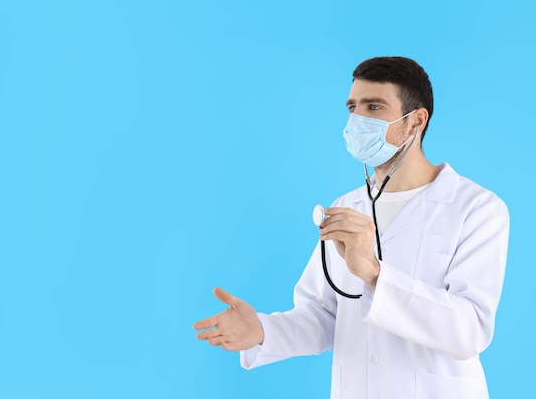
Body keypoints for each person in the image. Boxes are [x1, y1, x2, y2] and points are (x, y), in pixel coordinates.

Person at [193, 56, 509, 399]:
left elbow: (470, 330)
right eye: (352, 107)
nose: (359, 119)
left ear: (416, 122)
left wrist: (374, 273)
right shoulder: (346, 207)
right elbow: (324, 316)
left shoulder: (476, 208)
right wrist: (262, 331)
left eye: (374, 107)